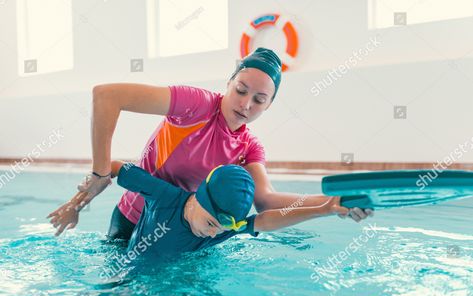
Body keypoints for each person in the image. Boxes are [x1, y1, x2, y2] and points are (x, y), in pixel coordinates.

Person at [49, 47, 373, 241]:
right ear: (228, 82)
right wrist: (94, 179)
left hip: (189, 230)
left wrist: (331, 203)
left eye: (260, 100)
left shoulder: (249, 147)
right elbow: (107, 95)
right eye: (241, 90)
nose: (246, 104)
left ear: (269, 105)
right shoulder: (196, 104)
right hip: (133, 220)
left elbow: (266, 202)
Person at [48, 162, 352, 257]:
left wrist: (325, 208)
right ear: (197, 197)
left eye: (222, 228)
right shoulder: (166, 196)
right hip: (128, 268)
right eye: (210, 223)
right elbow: (114, 168)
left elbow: (265, 221)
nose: (213, 233)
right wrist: (78, 204)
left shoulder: (219, 228)